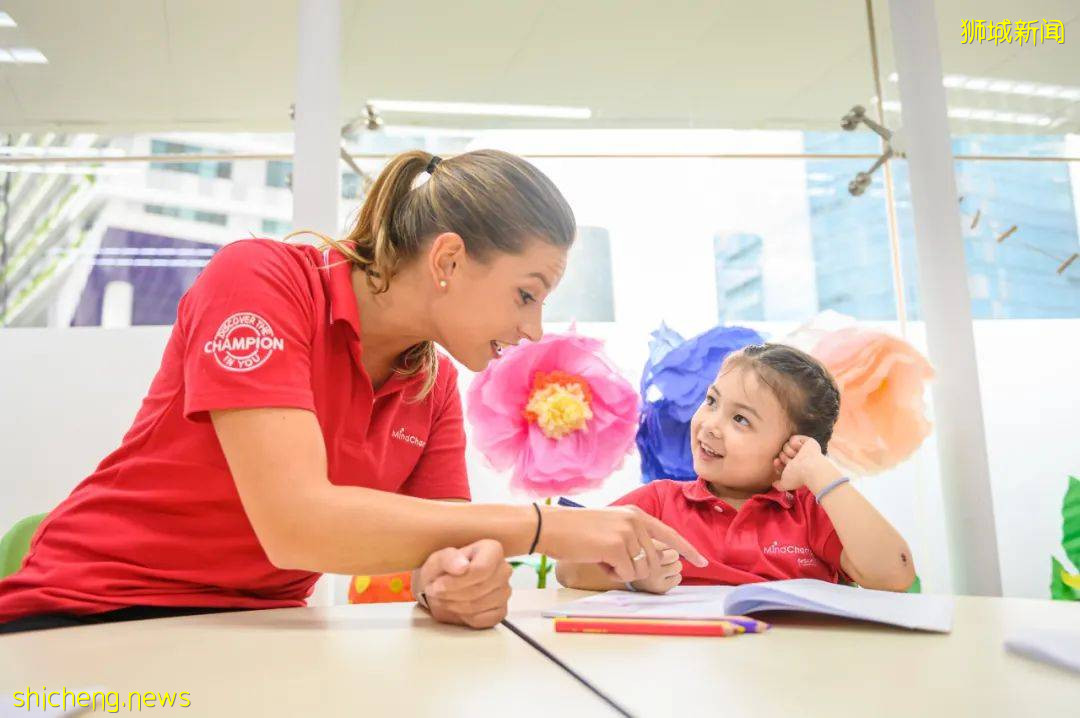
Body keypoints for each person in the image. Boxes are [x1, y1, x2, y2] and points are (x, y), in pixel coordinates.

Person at [0, 149, 705, 634]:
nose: (532, 328)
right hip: (85, 613)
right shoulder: (262, 281)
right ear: (449, 259)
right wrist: (545, 528)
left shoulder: (429, 389)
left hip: (256, 632)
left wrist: (458, 583)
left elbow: (446, 550)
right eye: (526, 294)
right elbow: (295, 526)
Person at [556, 343, 915, 594]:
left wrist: (819, 472)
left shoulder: (810, 512)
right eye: (712, 401)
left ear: (793, 449)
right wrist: (636, 577)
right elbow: (570, 567)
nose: (711, 424)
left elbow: (894, 574)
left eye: (741, 419)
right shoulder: (660, 503)